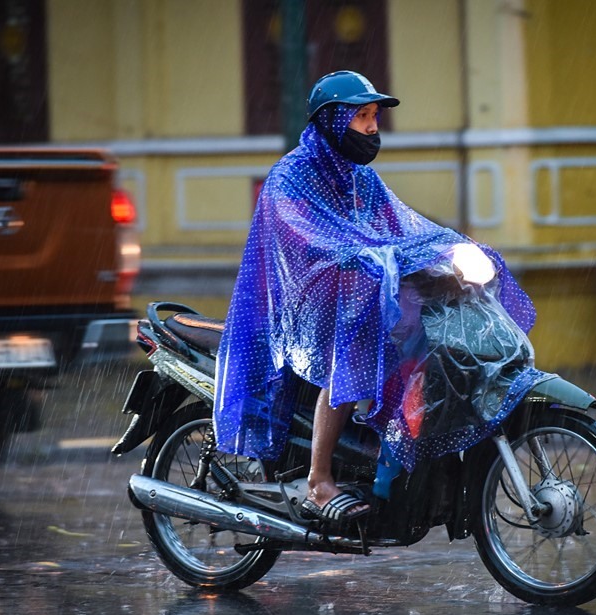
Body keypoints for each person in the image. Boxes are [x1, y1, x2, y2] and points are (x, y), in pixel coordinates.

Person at [212, 71, 537, 530]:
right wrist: (359, 257)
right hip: (305, 303)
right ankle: (319, 480)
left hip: (363, 291)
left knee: (427, 337)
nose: (371, 127)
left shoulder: (362, 179)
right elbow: (304, 239)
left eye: (374, 117)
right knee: (354, 351)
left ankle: (390, 452)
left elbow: (405, 225)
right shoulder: (291, 177)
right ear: (331, 121)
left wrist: (451, 249)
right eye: (361, 116)